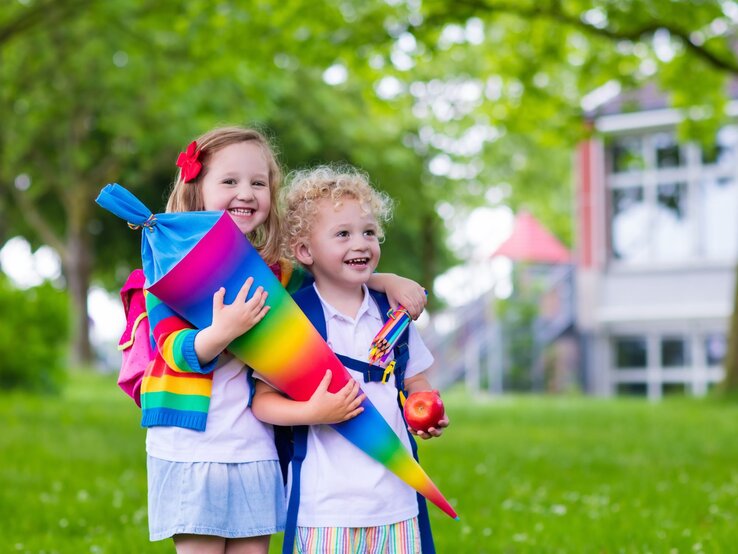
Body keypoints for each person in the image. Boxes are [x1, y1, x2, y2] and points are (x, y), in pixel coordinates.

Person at [143, 127, 428, 554]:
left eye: (258, 183)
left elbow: (333, 273)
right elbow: (174, 350)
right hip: (192, 446)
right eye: (230, 181)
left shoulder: (277, 273)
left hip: (255, 444)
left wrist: (389, 280)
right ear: (196, 188)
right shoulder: (169, 267)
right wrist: (223, 332)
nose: (246, 192)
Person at [251, 165, 449, 554]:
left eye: (369, 232)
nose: (360, 244)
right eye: (343, 234)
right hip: (325, 509)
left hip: (397, 501)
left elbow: (416, 382)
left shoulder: (392, 312)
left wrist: (424, 409)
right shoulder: (293, 321)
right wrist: (313, 411)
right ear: (305, 251)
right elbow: (262, 401)